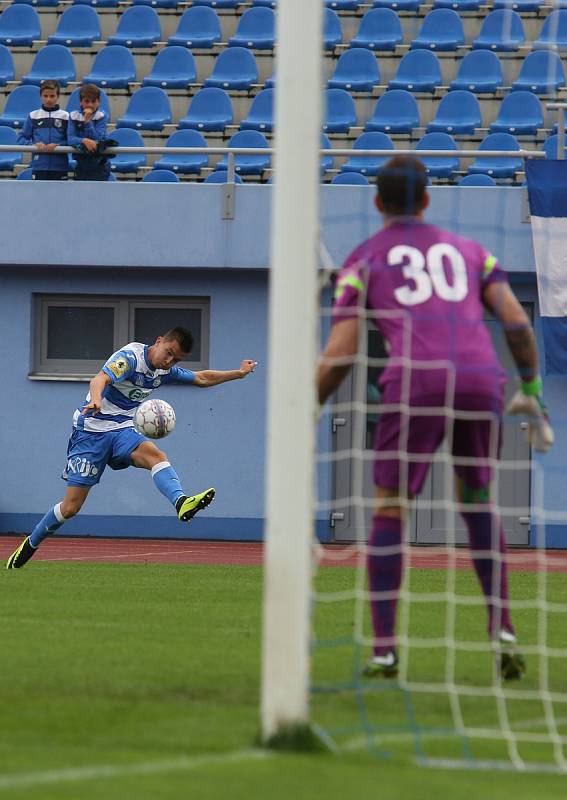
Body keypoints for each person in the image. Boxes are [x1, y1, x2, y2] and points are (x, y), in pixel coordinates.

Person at [316, 155, 553, 681]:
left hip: (415, 381)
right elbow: (516, 322)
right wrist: (531, 388)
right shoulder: (471, 252)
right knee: (476, 501)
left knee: (391, 507)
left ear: (377, 202)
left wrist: (304, 408)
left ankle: (384, 649)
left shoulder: (364, 260)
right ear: (427, 199)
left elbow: (340, 354)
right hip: (481, 379)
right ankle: (504, 629)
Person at [7, 328, 257, 569]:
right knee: (71, 507)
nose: (169, 361)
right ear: (158, 341)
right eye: (168, 353)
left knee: (156, 456)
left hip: (122, 430)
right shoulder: (130, 357)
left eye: (176, 359)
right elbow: (100, 378)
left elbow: (201, 377)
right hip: (90, 432)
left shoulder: (163, 371)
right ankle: (31, 543)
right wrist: (96, 398)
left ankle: (181, 501)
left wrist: (238, 373)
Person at [17, 79, 69, 181]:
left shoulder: (66, 116)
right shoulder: (33, 116)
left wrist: (59, 145)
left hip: (60, 167)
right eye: (45, 96)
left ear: (58, 96)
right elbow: (21, 139)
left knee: (59, 196)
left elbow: (71, 140)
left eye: (52, 96)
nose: (48, 99)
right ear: (41, 96)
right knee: (39, 195)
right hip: (39, 166)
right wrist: (34, 145)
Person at [68, 84, 114, 182]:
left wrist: (88, 122)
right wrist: (84, 140)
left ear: (99, 102)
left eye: (93, 101)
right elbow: (70, 139)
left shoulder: (102, 116)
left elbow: (97, 138)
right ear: (81, 102)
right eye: (87, 101)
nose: (90, 105)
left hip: (100, 165)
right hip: (81, 164)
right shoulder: (73, 116)